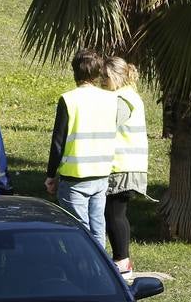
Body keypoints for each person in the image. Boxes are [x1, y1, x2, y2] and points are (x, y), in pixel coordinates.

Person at [45, 49, 128, 250]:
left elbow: (58, 141)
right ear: (98, 72)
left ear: (75, 72)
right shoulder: (111, 99)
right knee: (97, 227)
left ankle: (81, 270)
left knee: (77, 230)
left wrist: (50, 174)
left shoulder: (69, 99)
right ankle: (98, 270)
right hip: (100, 174)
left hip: (76, 176)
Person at [104, 57, 148, 278]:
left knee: (114, 214)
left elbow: (108, 125)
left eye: (105, 77)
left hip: (121, 166)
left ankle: (122, 261)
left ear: (115, 76)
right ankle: (121, 259)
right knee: (115, 213)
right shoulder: (131, 95)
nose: (102, 82)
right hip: (130, 165)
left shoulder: (121, 99)